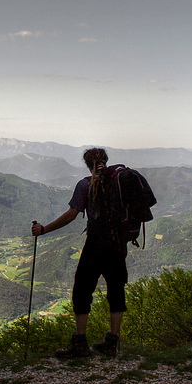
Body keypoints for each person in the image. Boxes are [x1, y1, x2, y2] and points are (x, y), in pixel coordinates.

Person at [31, 147, 126, 359]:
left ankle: (80, 344)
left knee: (82, 292)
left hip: (96, 245)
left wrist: (44, 229)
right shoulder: (120, 182)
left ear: (87, 164)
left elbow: (72, 214)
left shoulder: (85, 185)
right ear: (105, 161)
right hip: (118, 245)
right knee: (116, 291)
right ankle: (112, 343)